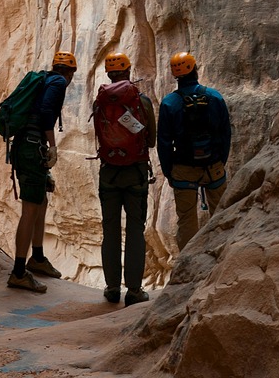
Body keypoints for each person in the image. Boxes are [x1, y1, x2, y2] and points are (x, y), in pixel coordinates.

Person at [7, 50, 76, 292]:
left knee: (41, 200)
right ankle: (18, 272)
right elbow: (47, 113)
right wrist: (53, 147)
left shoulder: (45, 79)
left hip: (26, 145)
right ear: (70, 73)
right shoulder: (58, 82)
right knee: (30, 208)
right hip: (32, 146)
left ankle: (37, 258)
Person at [93, 53, 156, 307]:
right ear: (128, 72)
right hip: (136, 173)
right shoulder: (141, 101)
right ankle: (133, 290)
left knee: (110, 229)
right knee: (135, 230)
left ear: (109, 74)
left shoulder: (99, 102)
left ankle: (111, 288)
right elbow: (150, 140)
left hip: (109, 172)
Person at [157, 51, 231, 251]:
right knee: (220, 215)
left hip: (183, 168)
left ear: (175, 75)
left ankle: (188, 266)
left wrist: (169, 171)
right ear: (195, 71)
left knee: (187, 221)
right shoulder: (214, 97)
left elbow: (163, 142)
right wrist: (219, 161)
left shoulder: (169, 103)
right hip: (213, 167)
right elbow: (225, 133)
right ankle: (220, 257)